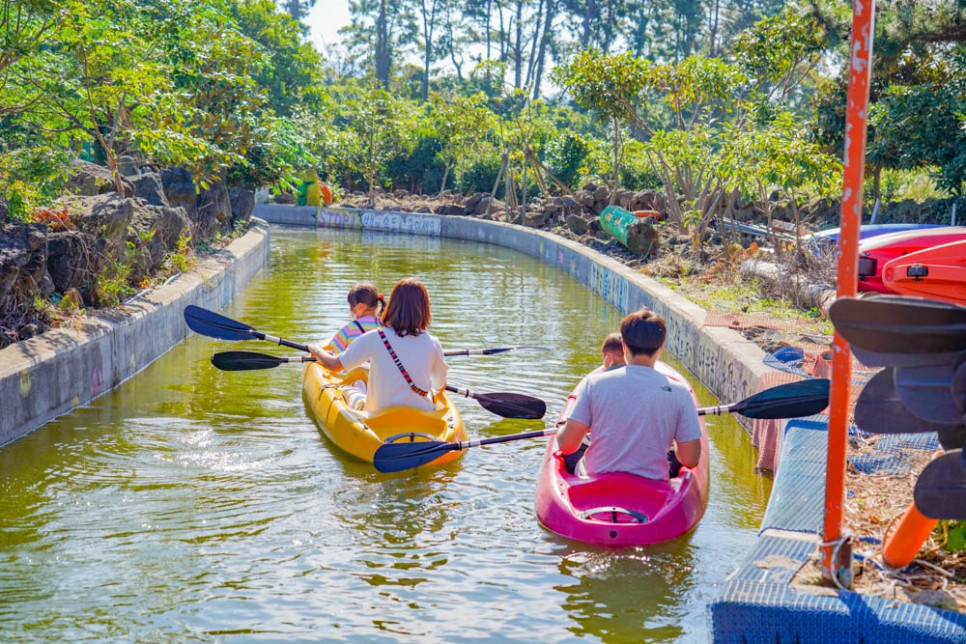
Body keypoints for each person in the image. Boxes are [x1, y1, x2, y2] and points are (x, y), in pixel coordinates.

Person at [557, 308, 702, 481]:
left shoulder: (594, 384)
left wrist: (562, 427)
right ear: (661, 347)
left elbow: (567, 446)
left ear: (624, 345)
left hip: (594, 482)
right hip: (653, 484)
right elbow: (691, 459)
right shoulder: (680, 393)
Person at [308, 278, 447, 413]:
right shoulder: (433, 343)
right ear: (425, 309)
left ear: (393, 305)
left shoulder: (376, 337)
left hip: (379, 416)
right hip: (422, 416)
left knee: (349, 390)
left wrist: (316, 350)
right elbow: (439, 387)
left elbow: (335, 365)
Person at [324, 282, 385, 352]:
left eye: (351, 306)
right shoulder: (385, 327)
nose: (350, 310)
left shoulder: (348, 330)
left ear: (360, 307)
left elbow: (332, 353)